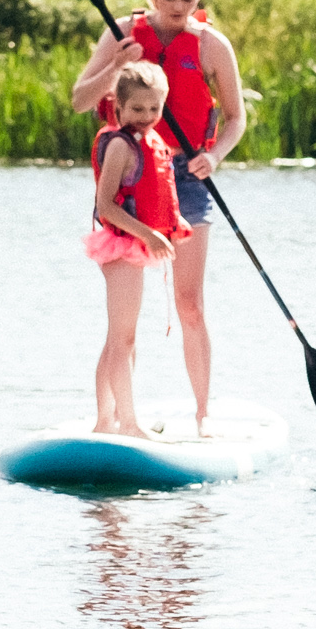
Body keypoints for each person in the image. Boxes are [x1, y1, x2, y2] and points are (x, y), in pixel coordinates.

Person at [67, 0, 245, 433]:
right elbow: (82, 100)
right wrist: (115, 65)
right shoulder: (123, 32)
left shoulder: (212, 45)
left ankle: (203, 415)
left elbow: (234, 118)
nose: (177, 8)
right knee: (124, 320)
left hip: (186, 177)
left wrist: (215, 155)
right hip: (127, 178)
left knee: (190, 303)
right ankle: (115, 420)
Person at [84, 59, 189, 433]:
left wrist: (173, 222)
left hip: (135, 243)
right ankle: (126, 422)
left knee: (120, 338)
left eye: (154, 109)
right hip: (119, 246)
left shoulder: (151, 141)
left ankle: (106, 420)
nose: (146, 116)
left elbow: (154, 192)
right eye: (137, 109)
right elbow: (106, 204)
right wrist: (148, 234)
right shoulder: (119, 146)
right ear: (118, 107)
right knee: (123, 338)